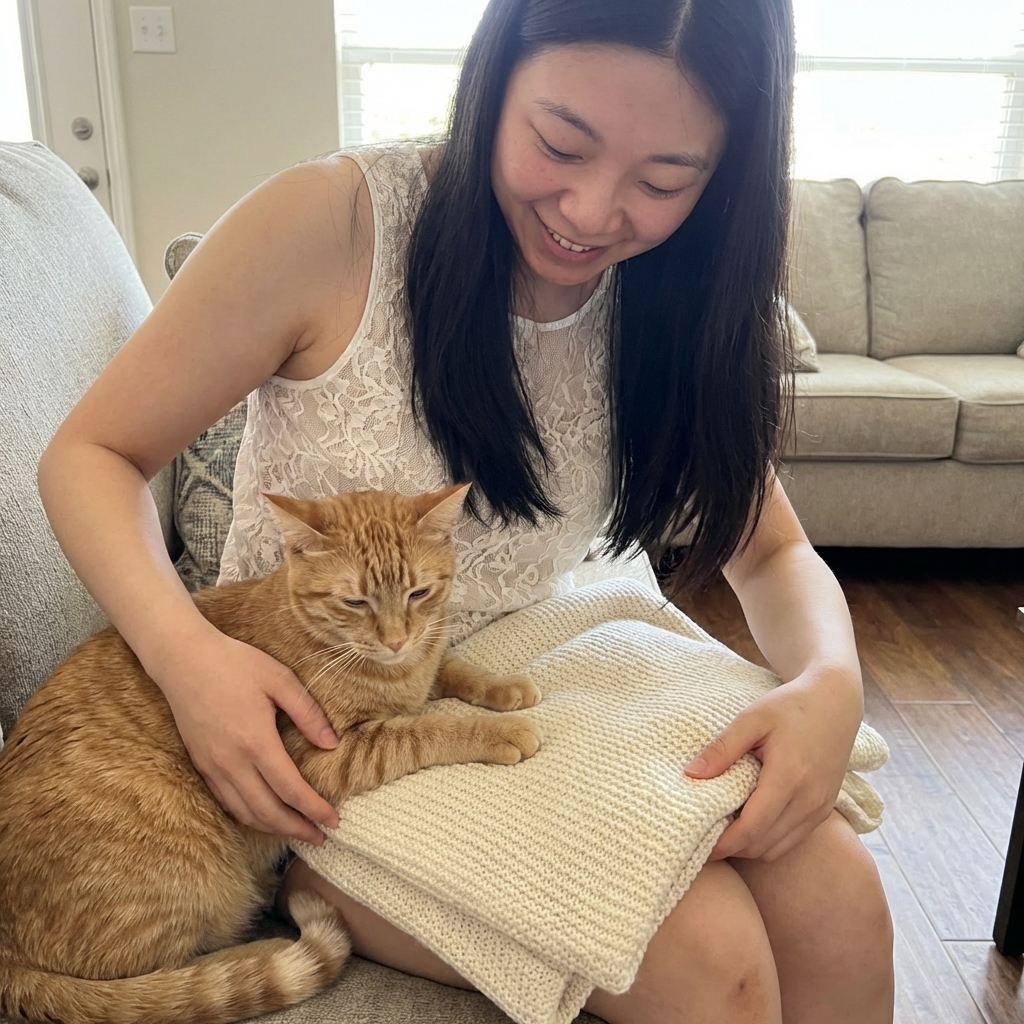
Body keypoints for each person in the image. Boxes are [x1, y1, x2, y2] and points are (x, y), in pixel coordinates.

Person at [37, 0, 895, 1020]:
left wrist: (833, 680)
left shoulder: (679, 286)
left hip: (538, 659)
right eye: (559, 141)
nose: (589, 211)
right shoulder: (332, 222)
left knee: (841, 893)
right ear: (492, 78)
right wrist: (187, 662)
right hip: (332, 720)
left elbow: (771, 547)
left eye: (666, 179)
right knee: (711, 956)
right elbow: (88, 455)